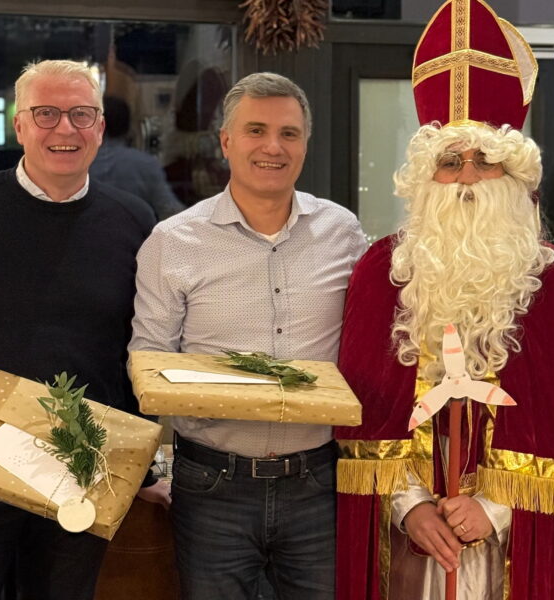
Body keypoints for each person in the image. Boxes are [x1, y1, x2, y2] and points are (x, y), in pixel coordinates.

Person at [333, 2, 554, 598]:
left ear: (514, 176)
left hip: (508, 533)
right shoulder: (382, 271)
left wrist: (495, 506)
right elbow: (360, 403)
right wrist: (409, 505)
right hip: (407, 529)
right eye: (450, 162)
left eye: (485, 161)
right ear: (425, 176)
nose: (465, 177)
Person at [0, 60, 160, 600]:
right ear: (20, 125)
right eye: (46, 113)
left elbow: (142, 347)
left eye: (81, 114)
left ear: (100, 126)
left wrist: (141, 471)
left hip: (82, 472)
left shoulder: (133, 220)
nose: (65, 128)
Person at [128, 72, 367, 600]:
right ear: (226, 141)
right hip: (211, 485)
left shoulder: (344, 233)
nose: (272, 147)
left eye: (289, 133)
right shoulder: (174, 241)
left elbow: (371, 344)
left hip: (320, 482)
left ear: (305, 143)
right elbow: (148, 360)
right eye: (256, 130)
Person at [89, 95, 186, 220]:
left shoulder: (79, 163)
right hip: (134, 232)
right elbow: (170, 210)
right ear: (128, 126)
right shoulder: (144, 164)